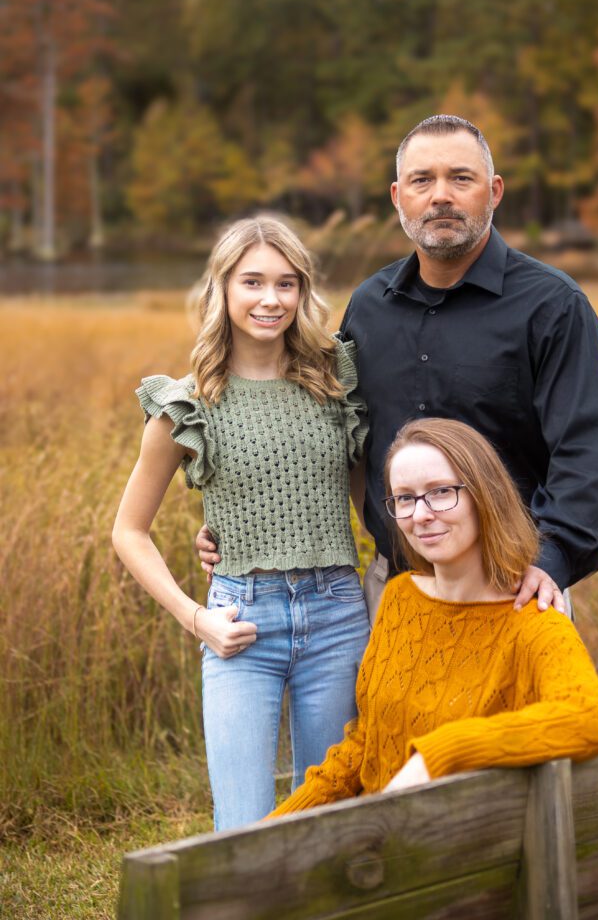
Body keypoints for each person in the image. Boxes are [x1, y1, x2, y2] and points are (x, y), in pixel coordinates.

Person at [198, 115, 598, 622]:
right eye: (422, 180)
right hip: (393, 589)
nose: (441, 195)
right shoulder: (369, 307)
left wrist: (552, 560)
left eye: (461, 178)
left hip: (514, 587)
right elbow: (324, 433)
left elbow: (583, 453)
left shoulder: (553, 305)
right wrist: (245, 519)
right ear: (398, 197)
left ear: (495, 191)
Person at [112, 216, 370, 831]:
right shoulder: (189, 401)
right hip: (239, 622)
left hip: (337, 616)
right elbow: (128, 530)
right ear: (222, 288)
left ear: (303, 292)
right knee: (241, 829)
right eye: (252, 282)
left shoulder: (334, 383)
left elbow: (368, 501)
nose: (270, 299)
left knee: (326, 819)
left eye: (287, 284)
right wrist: (195, 618)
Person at [269, 418, 598, 816]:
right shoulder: (401, 599)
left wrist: (439, 755)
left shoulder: (534, 620)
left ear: (485, 495)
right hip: (372, 844)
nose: (421, 514)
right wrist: (270, 832)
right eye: (405, 498)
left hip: (452, 857)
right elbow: (367, 742)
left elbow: (590, 718)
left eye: (441, 492)